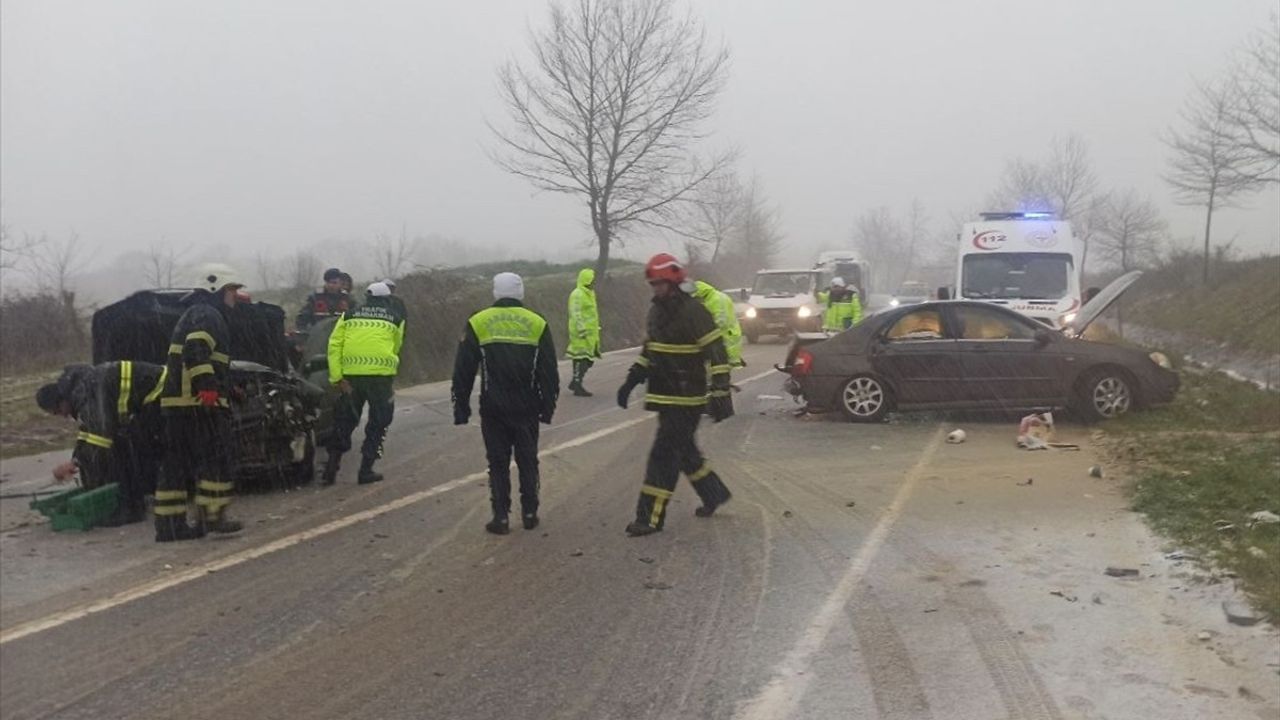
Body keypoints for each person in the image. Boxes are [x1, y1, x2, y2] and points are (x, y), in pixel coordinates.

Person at [616, 254, 734, 537]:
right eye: (653, 284)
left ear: (674, 282)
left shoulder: (694, 311)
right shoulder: (656, 311)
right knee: (685, 452)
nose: (655, 289)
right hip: (664, 395)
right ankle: (714, 493)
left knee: (663, 454)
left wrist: (719, 391)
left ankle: (649, 518)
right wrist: (632, 379)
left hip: (687, 399)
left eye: (660, 284)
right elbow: (651, 350)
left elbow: (717, 352)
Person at [452, 273, 559, 534]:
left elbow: (463, 370)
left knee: (497, 462)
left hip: (494, 407)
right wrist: (548, 406)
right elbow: (549, 371)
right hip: (527, 406)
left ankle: (500, 516)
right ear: (520, 292)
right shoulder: (537, 322)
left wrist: (460, 407)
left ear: (495, 292)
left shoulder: (478, 322)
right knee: (527, 459)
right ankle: (530, 511)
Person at [153, 263, 245, 542]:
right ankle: (213, 514)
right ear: (216, 289)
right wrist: (207, 389)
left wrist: (228, 387)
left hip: (178, 403)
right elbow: (196, 350)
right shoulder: (208, 313)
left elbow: (205, 358)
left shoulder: (194, 313)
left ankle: (170, 526)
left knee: (176, 465)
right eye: (231, 291)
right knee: (218, 455)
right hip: (195, 402)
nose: (235, 297)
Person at [35, 361, 166, 527]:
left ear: (62, 400)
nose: (63, 415)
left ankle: (132, 506)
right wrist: (75, 460)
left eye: (58, 411)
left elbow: (101, 437)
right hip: (153, 397)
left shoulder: (87, 394)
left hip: (162, 394)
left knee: (122, 445)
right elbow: (88, 431)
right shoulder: (80, 390)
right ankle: (138, 496)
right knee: (122, 440)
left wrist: (79, 463)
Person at [322, 281, 406, 485]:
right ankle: (366, 469)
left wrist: (337, 378)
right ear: (387, 299)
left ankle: (331, 468)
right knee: (379, 422)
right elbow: (396, 347)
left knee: (344, 422)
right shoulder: (396, 319)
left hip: (351, 378)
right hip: (380, 379)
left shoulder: (348, 315)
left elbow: (334, 346)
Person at [692, 279, 745, 367]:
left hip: (726, 334)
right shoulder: (712, 298)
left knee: (723, 363)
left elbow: (721, 320)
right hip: (726, 333)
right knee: (725, 361)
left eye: (698, 297)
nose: (698, 300)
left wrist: (704, 328)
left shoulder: (717, 299)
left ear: (702, 293)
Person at [566, 268, 601, 397]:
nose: (593, 283)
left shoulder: (590, 293)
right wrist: (581, 329)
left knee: (589, 359)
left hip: (591, 332)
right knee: (581, 358)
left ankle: (575, 381)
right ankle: (577, 385)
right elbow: (576, 313)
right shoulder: (577, 294)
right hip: (580, 332)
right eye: (592, 280)